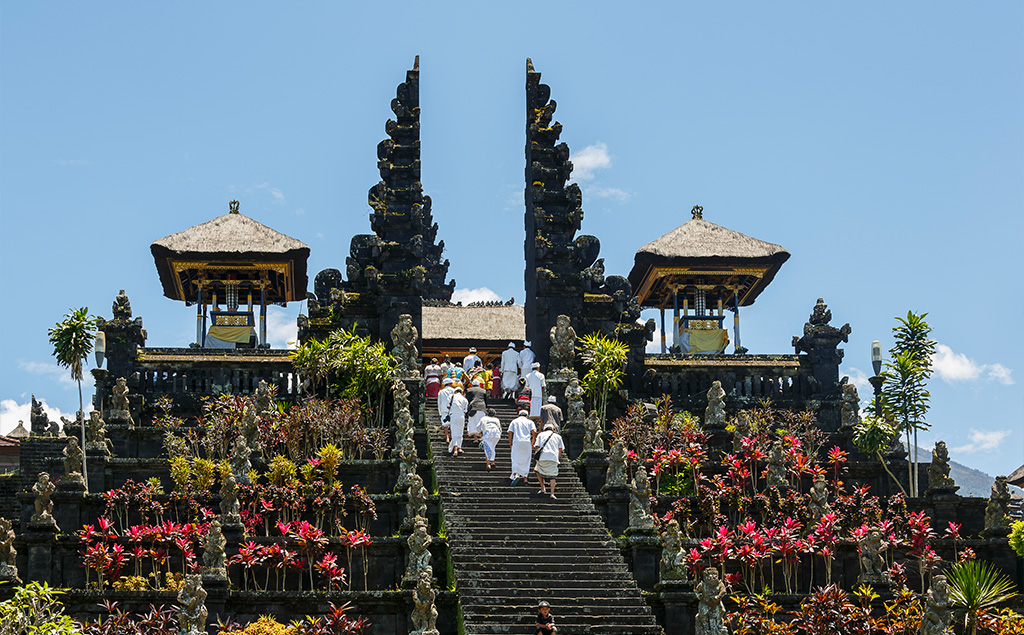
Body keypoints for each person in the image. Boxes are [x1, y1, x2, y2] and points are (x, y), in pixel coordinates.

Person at [533, 423, 565, 499]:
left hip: (543, 456)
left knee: (538, 471)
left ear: (544, 429)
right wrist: (558, 458)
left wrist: (536, 457)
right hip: (553, 457)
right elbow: (560, 449)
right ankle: (552, 493)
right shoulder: (558, 436)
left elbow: (537, 446)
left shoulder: (541, 435)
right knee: (553, 476)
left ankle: (543, 488)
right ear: (552, 429)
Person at [508, 408, 537, 484]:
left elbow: (510, 432)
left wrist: (510, 443)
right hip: (527, 442)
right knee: (526, 460)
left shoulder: (514, 421)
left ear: (519, 415)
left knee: (515, 459)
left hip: (517, 441)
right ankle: (525, 478)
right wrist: (533, 443)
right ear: (527, 415)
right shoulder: (530, 422)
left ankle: (516, 474)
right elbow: (534, 432)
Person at [448, 386, 469, 456]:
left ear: (455, 391)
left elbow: (448, 406)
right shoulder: (464, 399)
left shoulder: (452, 396)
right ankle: (459, 448)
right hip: (461, 416)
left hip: (454, 415)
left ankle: (455, 449)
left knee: (454, 433)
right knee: (460, 433)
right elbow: (465, 411)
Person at [437, 377, 455, 444]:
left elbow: (439, 402)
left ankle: (447, 437)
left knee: (445, 424)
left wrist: (440, 411)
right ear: (449, 384)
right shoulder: (453, 390)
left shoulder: (441, 392)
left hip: (444, 409)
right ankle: (450, 435)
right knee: (452, 423)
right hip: (453, 409)